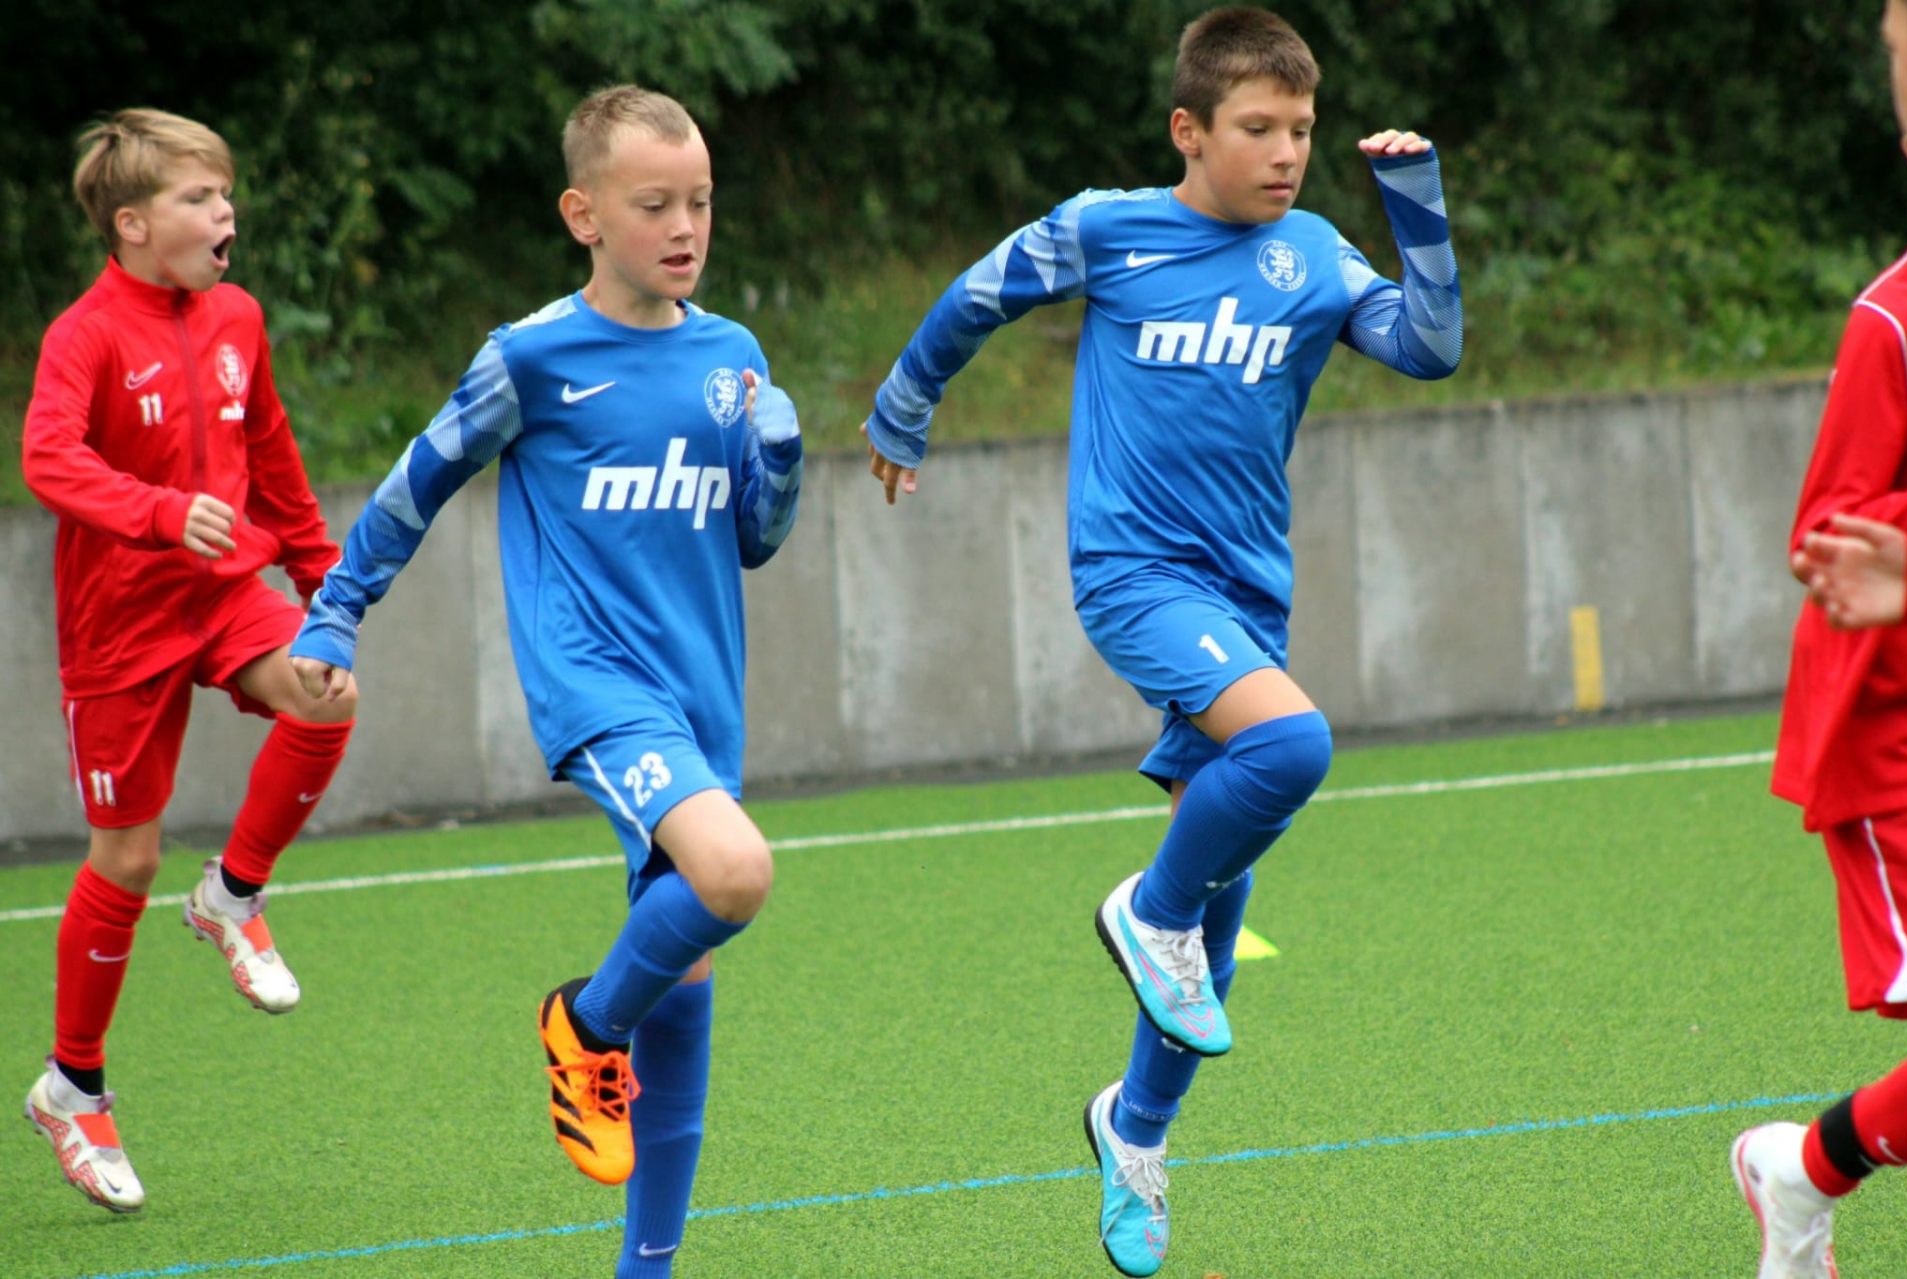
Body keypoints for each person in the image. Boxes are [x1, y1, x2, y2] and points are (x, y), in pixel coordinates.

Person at [859, 9, 1461, 1274]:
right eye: (1259, 128)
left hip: (1248, 601)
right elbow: (974, 298)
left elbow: (1428, 347)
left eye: (1301, 129)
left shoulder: (1314, 253)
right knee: (1292, 747)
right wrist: (904, 409)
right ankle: (1148, 907)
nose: (1286, 152)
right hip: (1132, 577)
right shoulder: (1107, 229)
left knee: (1214, 950)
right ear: (1189, 130)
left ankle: (1133, 1134)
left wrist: (1417, 209)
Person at [287, 85, 802, 1278]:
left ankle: (644, 1268)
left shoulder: (733, 355)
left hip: (702, 700)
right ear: (584, 215)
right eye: (654, 204)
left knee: (688, 982)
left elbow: (755, 539)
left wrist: (778, 464)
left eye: (701, 201)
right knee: (735, 873)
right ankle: (582, 1022)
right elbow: (417, 482)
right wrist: (336, 612)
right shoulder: (531, 359)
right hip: (599, 690)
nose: (686, 227)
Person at [20, 108, 358, 1214]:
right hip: (118, 625)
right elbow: (47, 459)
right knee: (125, 861)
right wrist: (162, 513)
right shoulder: (84, 335)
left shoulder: (238, 317)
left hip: (223, 596)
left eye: (225, 193)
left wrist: (324, 582)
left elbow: (272, 450)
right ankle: (73, 1088)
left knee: (327, 697)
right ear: (132, 223)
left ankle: (233, 895)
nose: (227, 214)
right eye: (200, 198)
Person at [1730, 5, 1907, 1276]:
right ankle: (1802, 1169)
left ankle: (1802, 1167)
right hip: (1899, 740)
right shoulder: (1894, 322)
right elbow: (1829, 539)